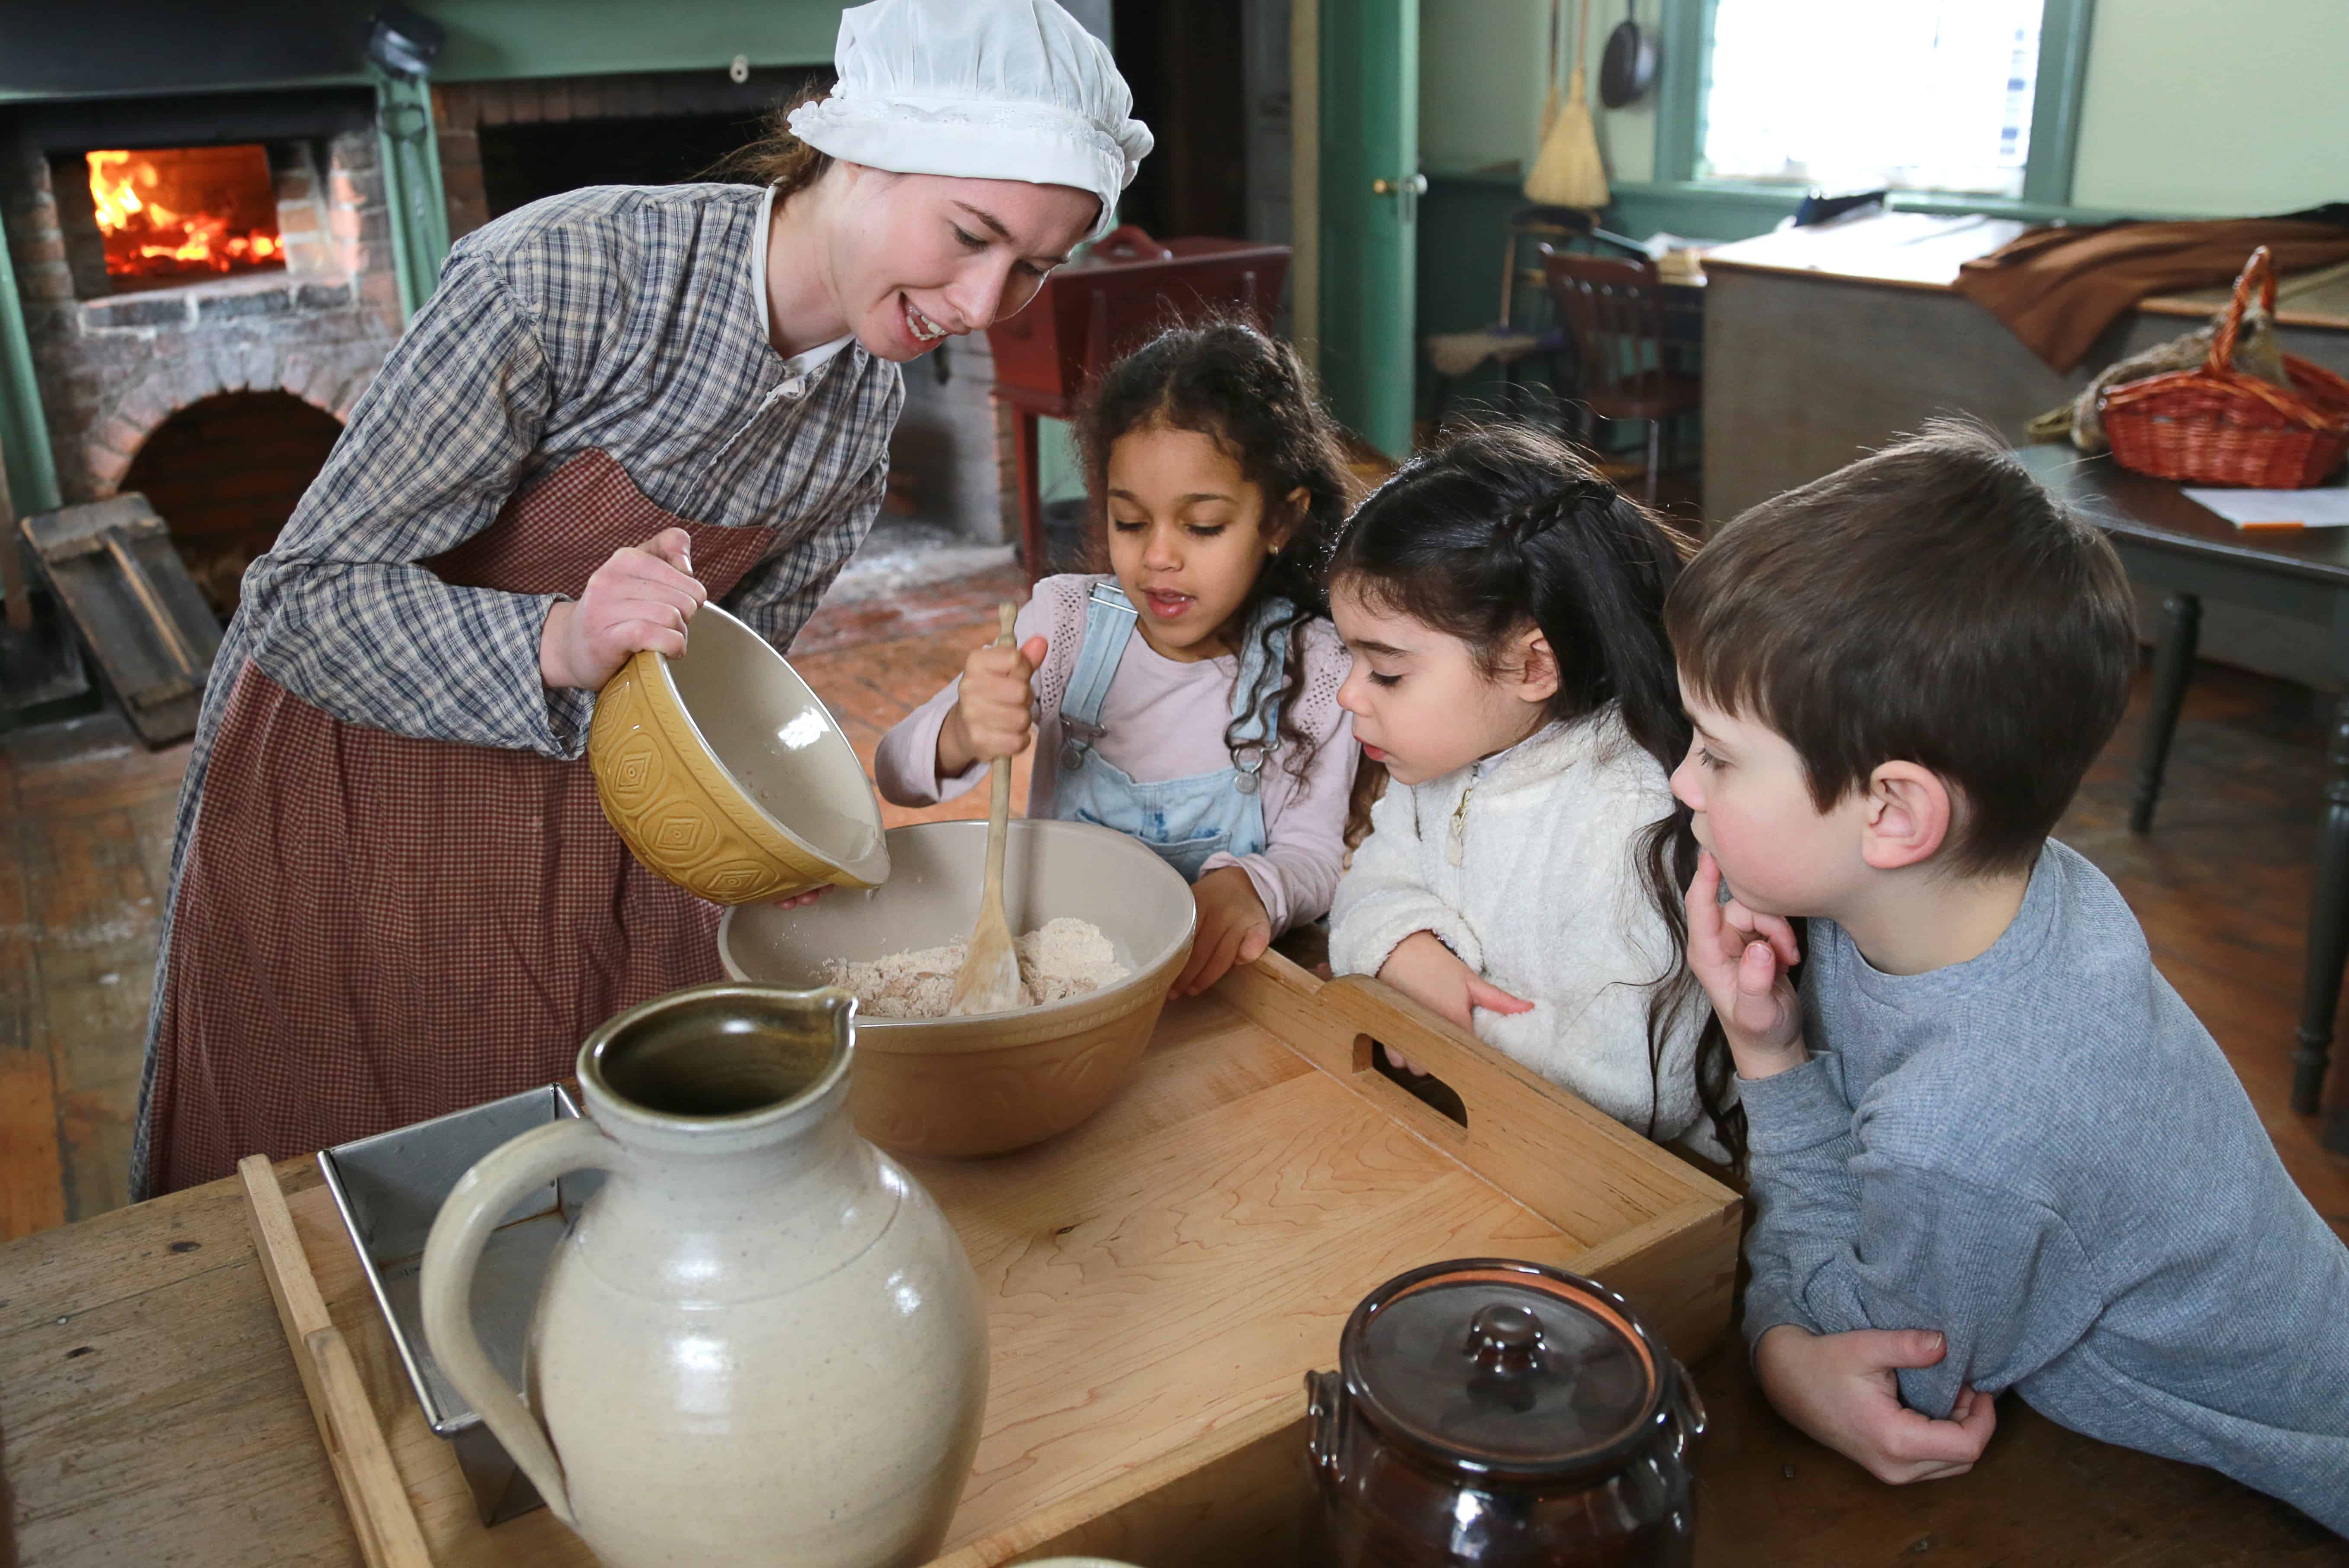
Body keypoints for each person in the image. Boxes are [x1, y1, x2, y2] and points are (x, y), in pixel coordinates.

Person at [130, 0, 1152, 1198]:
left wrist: (785, 820)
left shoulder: (858, 419)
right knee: (350, 1181)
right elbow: (298, 599)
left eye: (1036, 267)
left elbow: (720, 688)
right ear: (858, 153)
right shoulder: (567, 278)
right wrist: (562, 641)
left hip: (595, 807)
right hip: (359, 791)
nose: (986, 307)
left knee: (578, 1177)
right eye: (972, 236)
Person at [1666, 420, 2349, 1530]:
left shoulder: (1974, 1127)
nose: (1683, 782)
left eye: (1718, 753)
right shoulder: (2019, 886)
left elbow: (1892, 1370)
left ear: (1894, 813)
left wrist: (1782, 1344)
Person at [875, 322, 1359, 998]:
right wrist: (961, 730)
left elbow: (1313, 854)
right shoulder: (1063, 628)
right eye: (1130, 521)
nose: (1158, 556)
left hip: (1206, 990)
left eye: (1203, 526)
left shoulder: (1312, 673)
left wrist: (1255, 885)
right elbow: (895, 774)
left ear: (1279, 521)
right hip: (1052, 976)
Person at [1324, 426, 1742, 1164]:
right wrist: (1404, 951)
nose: (1349, 693)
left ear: (1532, 663)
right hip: (1469, 1118)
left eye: (1386, 672)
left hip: (1630, 1176)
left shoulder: (1632, 818)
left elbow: (1626, 1089)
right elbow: (1371, 877)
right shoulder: (1448, 754)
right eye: (1348, 656)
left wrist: (1447, 1023)